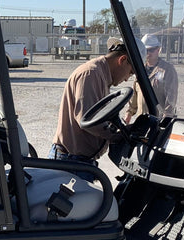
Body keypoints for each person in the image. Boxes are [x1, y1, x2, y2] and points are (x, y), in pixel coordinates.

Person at [50, 36, 145, 169]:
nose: (126, 79)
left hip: (80, 160)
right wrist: (119, 135)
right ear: (122, 60)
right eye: (130, 73)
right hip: (72, 161)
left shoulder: (101, 75)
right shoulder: (91, 74)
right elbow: (88, 120)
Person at [125, 33, 179, 121]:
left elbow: (171, 96)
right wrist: (129, 113)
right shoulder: (140, 69)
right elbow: (135, 92)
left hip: (158, 120)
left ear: (158, 49)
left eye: (151, 50)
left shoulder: (167, 69)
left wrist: (167, 117)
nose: (148, 53)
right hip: (142, 119)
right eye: (146, 50)